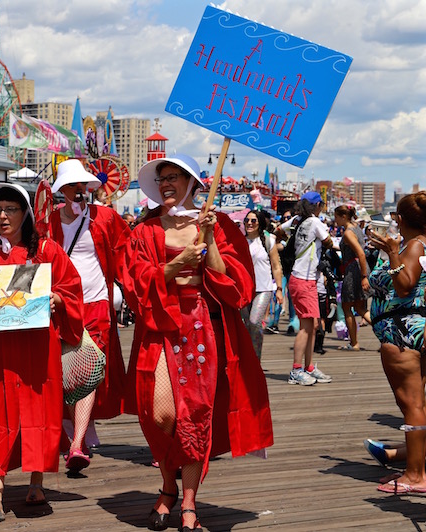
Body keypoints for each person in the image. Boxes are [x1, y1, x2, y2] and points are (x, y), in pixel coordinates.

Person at [124, 155, 272, 532]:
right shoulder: (145, 229)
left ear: (192, 182)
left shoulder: (217, 224)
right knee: (159, 413)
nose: (166, 184)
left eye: (174, 177)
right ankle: (169, 484)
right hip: (159, 324)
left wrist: (210, 245)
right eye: (162, 179)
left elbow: (237, 285)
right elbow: (134, 281)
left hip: (199, 325)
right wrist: (177, 264)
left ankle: (186, 499)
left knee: (193, 415)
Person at [0, 183, 84, 524]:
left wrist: (58, 299)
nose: (2, 217)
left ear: (25, 213)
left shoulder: (46, 251)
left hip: (35, 350)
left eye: (10, 209)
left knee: (37, 412)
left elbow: (70, 288)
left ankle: (36, 480)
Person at [47, 159, 130, 471]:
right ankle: (70, 430)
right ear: (62, 191)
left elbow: (127, 253)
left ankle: (78, 442)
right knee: (60, 368)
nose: (79, 193)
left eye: (83, 187)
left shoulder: (105, 217)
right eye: (73, 187)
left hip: (95, 303)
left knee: (88, 368)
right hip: (60, 303)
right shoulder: (49, 220)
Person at [366, 191, 426, 494]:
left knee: (412, 406)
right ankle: (414, 465)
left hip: (402, 337)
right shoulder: (420, 245)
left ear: (400, 219)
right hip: (416, 332)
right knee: (419, 405)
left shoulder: (414, 246)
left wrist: (392, 254)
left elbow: (404, 287)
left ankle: (415, 476)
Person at [278, 192, 334, 386]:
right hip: (304, 278)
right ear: (318, 205)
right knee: (306, 328)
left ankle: (309, 367)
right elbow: (330, 242)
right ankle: (296, 370)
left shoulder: (297, 219)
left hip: (302, 278)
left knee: (313, 326)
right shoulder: (316, 222)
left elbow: (278, 229)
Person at [241, 209, 283, 360]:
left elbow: (276, 265)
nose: (249, 224)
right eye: (247, 221)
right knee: (246, 326)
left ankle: (255, 359)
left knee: (255, 322)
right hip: (243, 289)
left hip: (263, 288)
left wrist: (279, 288)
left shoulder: (268, 240)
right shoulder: (240, 240)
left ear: (259, 223)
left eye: (253, 221)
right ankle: (247, 360)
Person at [333, 205, 372, 350]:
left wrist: (363, 277)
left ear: (343, 217)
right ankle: (386, 335)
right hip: (360, 267)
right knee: (360, 307)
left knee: (347, 306)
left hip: (354, 270)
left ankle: (354, 342)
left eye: (336, 217)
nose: (335, 220)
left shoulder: (348, 233)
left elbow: (360, 253)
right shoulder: (356, 227)